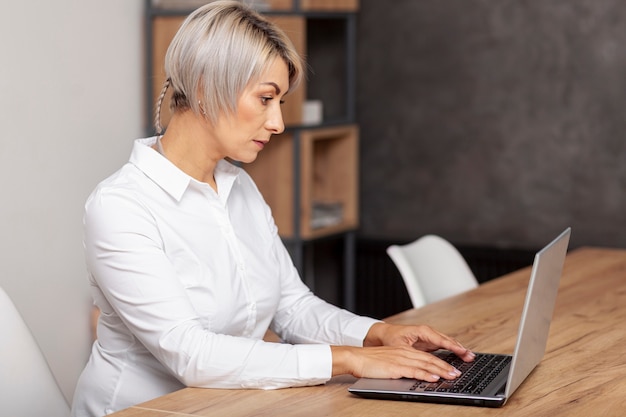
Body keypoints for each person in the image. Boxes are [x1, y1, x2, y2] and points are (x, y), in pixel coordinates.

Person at [70, 2, 475, 416]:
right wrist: (348, 358)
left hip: (227, 405)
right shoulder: (121, 207)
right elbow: (191, 354)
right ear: (208, 87)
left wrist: (378, 334)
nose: (277, 123)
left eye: (278, 102)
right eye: (265, 98)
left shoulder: (238, 186)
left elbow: (293, 307)